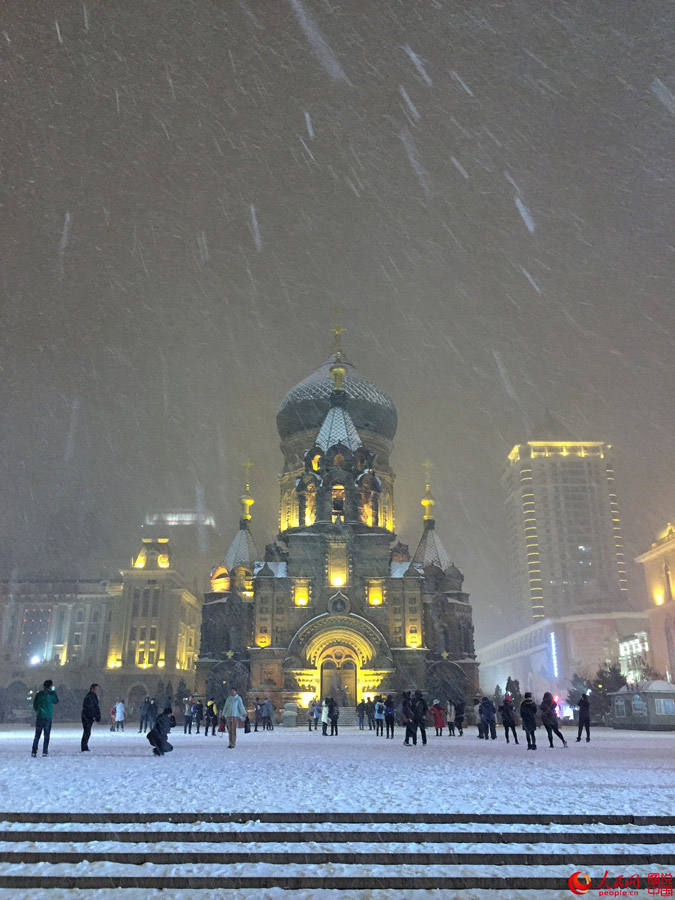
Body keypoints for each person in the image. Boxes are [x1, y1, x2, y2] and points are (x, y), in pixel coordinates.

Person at [31, 679, 59, 757]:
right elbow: (56, 701)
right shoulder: (51, 694)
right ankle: (45, 751)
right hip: (48, 716)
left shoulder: (39, 694)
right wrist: (54, 693)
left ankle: (34, 751)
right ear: (50, 686)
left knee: (37, 735)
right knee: (46, 735)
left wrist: (38, 711)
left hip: (40, 716)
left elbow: (35, 705)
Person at [81, 684, 101, 752]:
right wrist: (93, 716)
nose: (97, 690)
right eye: (96, 689)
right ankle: (84, 746)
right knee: (87, 731)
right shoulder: (90, 697)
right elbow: (90, 708)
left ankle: (84, 746)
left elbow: (95, 707)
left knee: (87, 732)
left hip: (88, 716)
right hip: (87, 717)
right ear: (92, 689)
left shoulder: (93, 696)